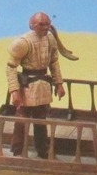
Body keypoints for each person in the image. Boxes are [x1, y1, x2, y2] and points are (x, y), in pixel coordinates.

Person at [6, 11, 76, 157]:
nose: (45, 27)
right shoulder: (22, 42)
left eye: (48, 24)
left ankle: (42, 150)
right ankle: (17, 150)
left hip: (43, 85)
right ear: (32, 25)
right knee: (21, 121)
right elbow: (11, 67)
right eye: (41, 24)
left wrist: (59, 84)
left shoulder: (50, 39)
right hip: (27, 86)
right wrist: (14, 91)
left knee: (41, 121)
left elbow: (54, 62)